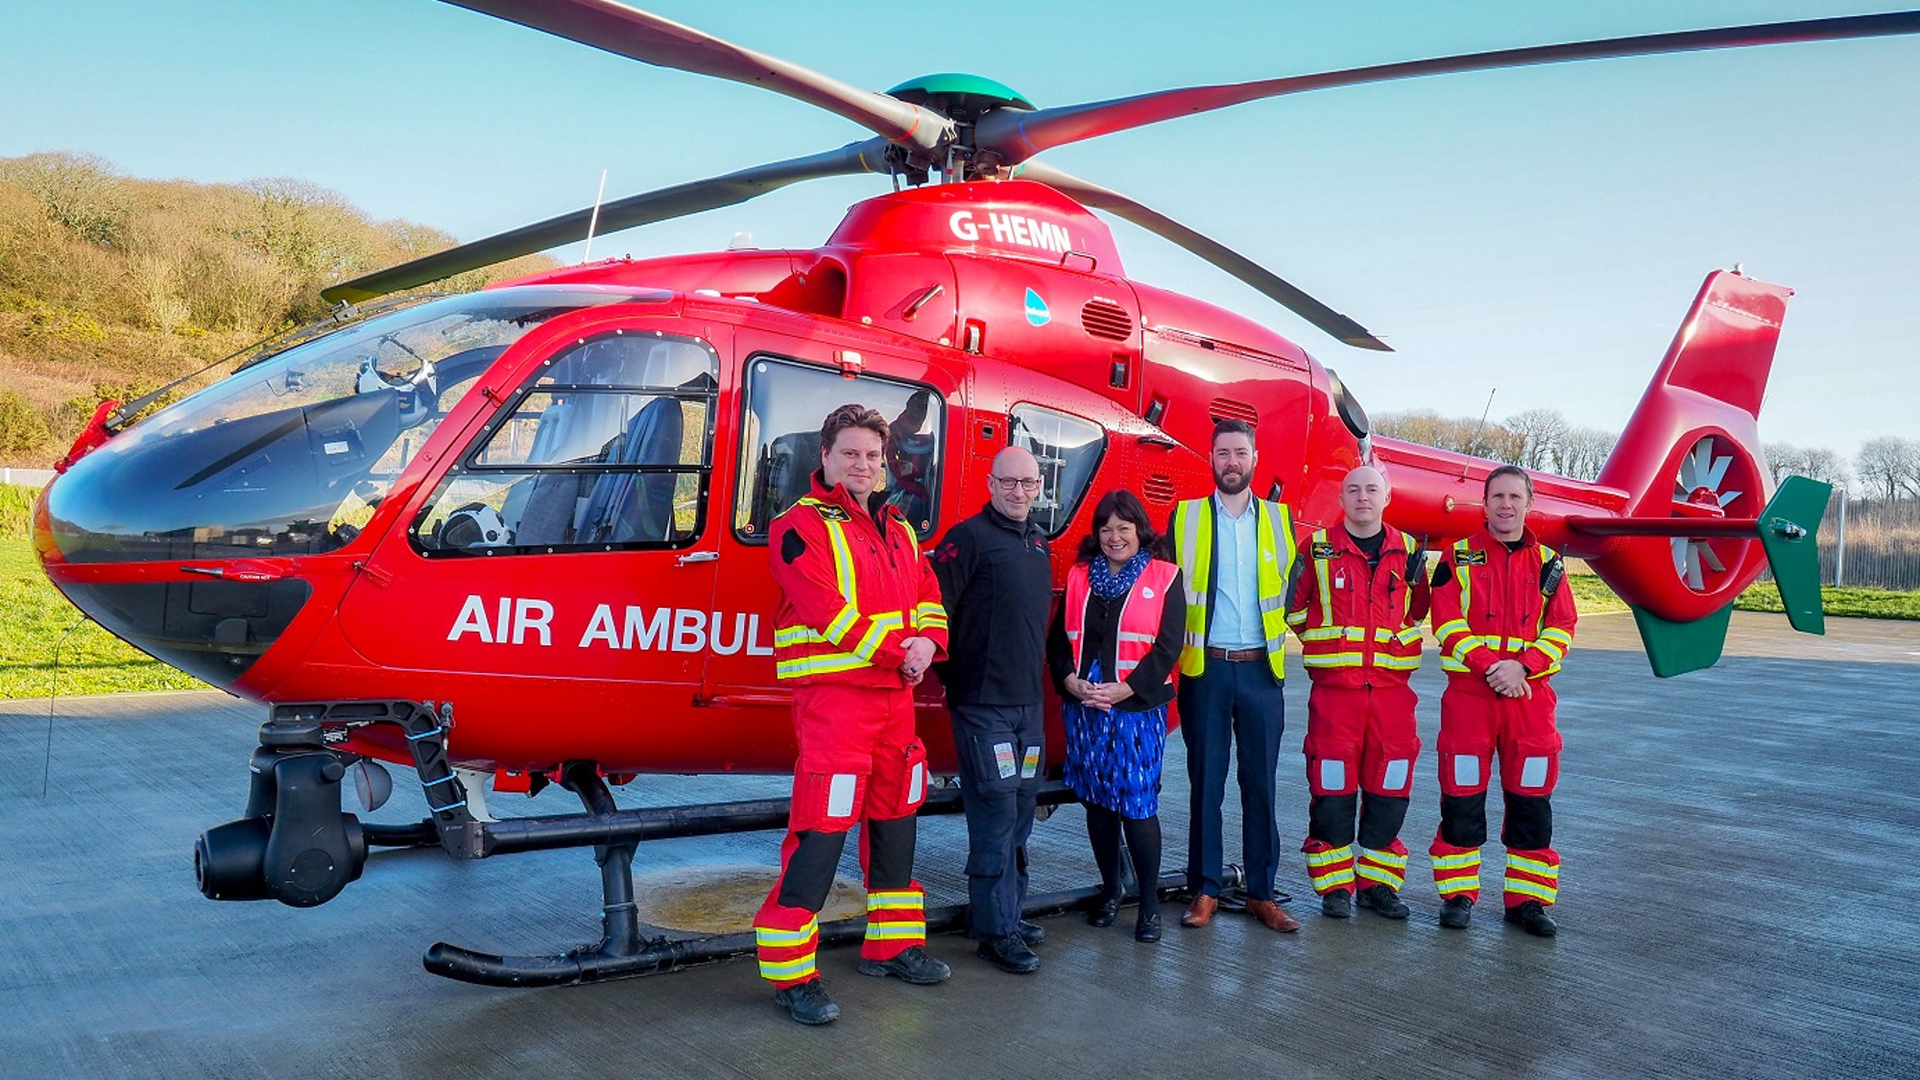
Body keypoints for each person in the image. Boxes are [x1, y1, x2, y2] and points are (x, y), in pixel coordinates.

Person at [753, 403, 953, 1026]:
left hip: (895, 702)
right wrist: (904, 650)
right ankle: (793, 976)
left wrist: (929, 643)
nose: (863, 465)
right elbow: (826, 611)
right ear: (827, 458)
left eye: (873, 455)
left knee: (896, 823)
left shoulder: (900, 528)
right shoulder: (799, 527)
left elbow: (926, 595)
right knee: (821, 834)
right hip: (836, 703)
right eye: (850, 454)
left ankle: (892, 946)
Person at [1427, 464, 1577, 938]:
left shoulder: (1551, 563)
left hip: (1530, 703)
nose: (1506, 505)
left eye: (1515, 496)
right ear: (1485, 503)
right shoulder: (1456, 556)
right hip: (1471, 700)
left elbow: (1563, 626)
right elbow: (1447, 623)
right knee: (1462, 798)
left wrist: (1524, 667)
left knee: (1532, 804)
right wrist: (1496, 668)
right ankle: (1457, 896)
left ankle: (1527, 902)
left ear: (1529, 503)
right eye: (1497, 497)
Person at [1168, 419, 1304, 933]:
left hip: (1261, 672)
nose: (1231, 461)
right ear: (1211, 458)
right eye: (1222, 452)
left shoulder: (1278, 520)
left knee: (1260, 786)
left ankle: (1262, 894)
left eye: (1239, 452)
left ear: (1254, 458)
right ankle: (1204, 889)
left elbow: (1293, 590)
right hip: (1205, 669)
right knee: (1206, 785)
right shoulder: (1184, 517)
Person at [930, 446, 1054, 975]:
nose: (1019, 492)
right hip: (984, 709)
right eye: (1009, 483)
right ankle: (995, 933)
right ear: (991, 483)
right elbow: (935, 614)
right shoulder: (966, 540)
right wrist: (958, 682)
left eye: (1028, 483)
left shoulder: (1037, 543)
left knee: (1022, 811)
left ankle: (1005, 913)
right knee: (995, 812)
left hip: (1027, 709)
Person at [1286, 466, 1429, 920]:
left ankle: (1379, 887)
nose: (1362, 496)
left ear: (1387, 497)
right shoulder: (1315, 549)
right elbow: (1293, 608)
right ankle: (1334, 888)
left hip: (1392, 699)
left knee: (1390, 791)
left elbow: (1420, 610)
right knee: (1332, 792)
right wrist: (1333, 647)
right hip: (1335, 699)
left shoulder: (1409, 551)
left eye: (1371, 489)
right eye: (1353, 489)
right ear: (1341, 499)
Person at [1048, 489, 1187, 943]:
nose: (1114, 537)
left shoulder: (1166, 577)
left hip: (1135, 706)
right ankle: (1111, 890)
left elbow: (1168, 646)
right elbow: (1056, 641)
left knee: (1137, 804)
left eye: (1123, 528)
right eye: (1105, 529)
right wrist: (1069, 680)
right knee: (1097, 803)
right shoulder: (1080, 576)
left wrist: (1126, 687)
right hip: (1086, 705)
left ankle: (1148, 904)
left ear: (1139, 530)